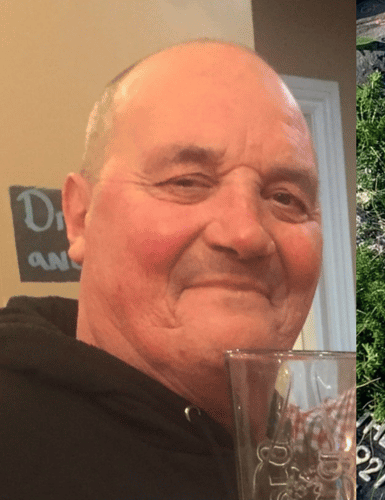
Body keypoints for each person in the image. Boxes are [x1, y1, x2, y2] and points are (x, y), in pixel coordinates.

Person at [0, 40, 324, 499]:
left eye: (285, 197)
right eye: (186, 182)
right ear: (78, 216)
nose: (246, 233)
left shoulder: (320, 456)